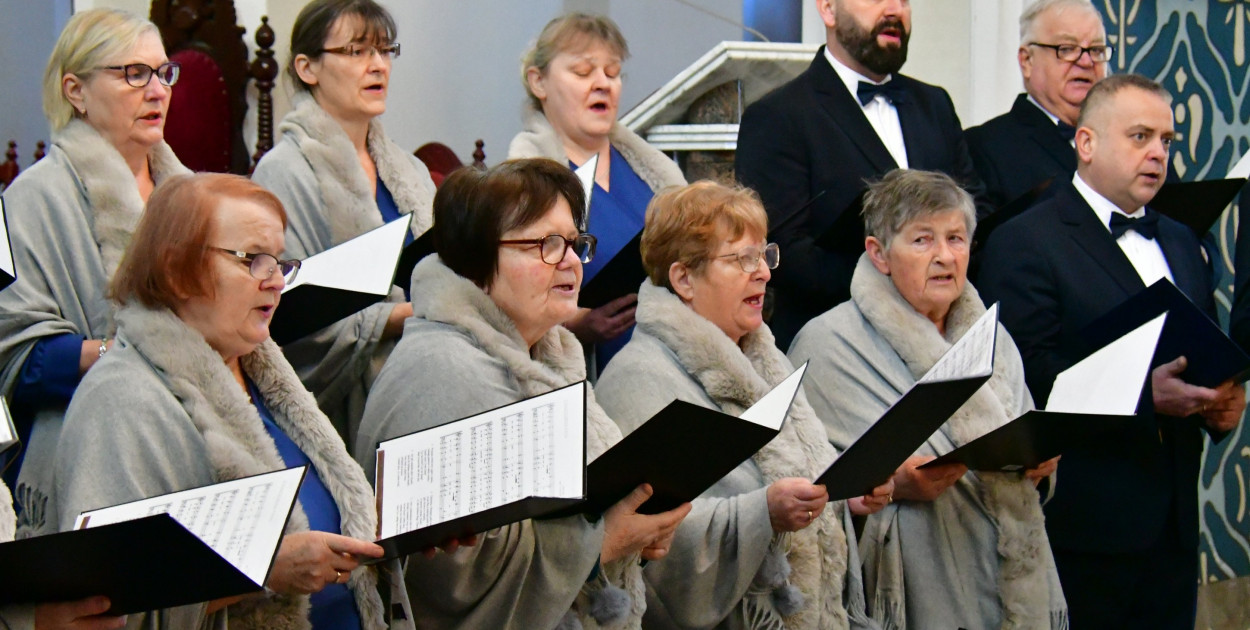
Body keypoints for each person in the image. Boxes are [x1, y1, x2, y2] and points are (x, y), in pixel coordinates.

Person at [50, 173, 413, 630]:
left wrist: (405, 536)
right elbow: (105, 605)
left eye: (280, 262)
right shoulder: (119, 401)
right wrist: (262, 571)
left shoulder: (262, 371)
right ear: (177, 271)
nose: (276, 282)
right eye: (253, 260)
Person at [355, 158, 691, 630]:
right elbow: (450, 581)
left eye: (574, 243)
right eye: (545, 245)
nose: (570, 261)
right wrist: (603, 542)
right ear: (477, 260)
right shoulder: (443, 371)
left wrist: (639, 523)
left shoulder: (548, 354)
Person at [977, 74, 1245, 628]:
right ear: (1087, 142)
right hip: (1082, 527)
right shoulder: (1025, 240)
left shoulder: (1182, 240)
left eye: (1166, 140)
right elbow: (1025, 378)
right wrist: (1145, 397)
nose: (1158, 153)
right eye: (1140, 136)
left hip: (1173, 527)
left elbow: (1202, 349)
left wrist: (1219, 403)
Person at [595, 181, 891, 629]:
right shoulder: (637, 378)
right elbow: (650, 541)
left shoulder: (765, 360)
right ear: (684, 279)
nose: (764, 273)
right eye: (741, 259)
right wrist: (761, 514)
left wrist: (845, 501)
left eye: (765, 255)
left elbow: (800, 483)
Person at [788, 169, 1067, 629]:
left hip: (1012, 579)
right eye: (922, 240)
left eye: (955, 238)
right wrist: (893, 485)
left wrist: (1039, 463)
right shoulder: (826, 345)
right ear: (878, 253)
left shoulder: (993, 338)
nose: (944, 256)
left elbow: (1026, 433)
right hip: (909, 592)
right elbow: (803, 494)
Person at [0, 8, 189, 530]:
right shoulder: (31, 199)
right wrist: (129, 353)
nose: (158, 91)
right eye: (134, 73)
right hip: (91, 437)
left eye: (164, 72)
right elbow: (19, 358)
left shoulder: (190, 193)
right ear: (76, 91)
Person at [734, 0, 990, 349]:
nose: (894, 10)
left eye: (903, 0)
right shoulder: (779, 115)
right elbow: (782, 253)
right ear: (828, 9)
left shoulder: (934, 104)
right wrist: (902, 278)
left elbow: (976, 211)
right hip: (838, 345)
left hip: (946, 338)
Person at [252, 0, 435, 448]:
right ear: (307, 68)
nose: (378, 65)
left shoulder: (410, 170)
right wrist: (408, 315)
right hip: (340, 407)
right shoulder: (283, 172)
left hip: (423, 376)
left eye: (385, 50)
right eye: (356, 51)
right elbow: (288, 321)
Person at [510, 13, 687, 373]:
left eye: (612, 72)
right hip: (589, 372)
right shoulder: (523, 179)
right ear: (539, 81)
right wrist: (576, 322)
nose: (603, 83)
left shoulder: (656, 173)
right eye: (583, 72)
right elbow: (508, 297)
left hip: (672, 363)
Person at [964, 0, 1110, 210]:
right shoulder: (984, 147)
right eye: (1067, 49)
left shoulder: (1128, 142)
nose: (1086, 62)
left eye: (1096, 50)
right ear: (1027, 61)